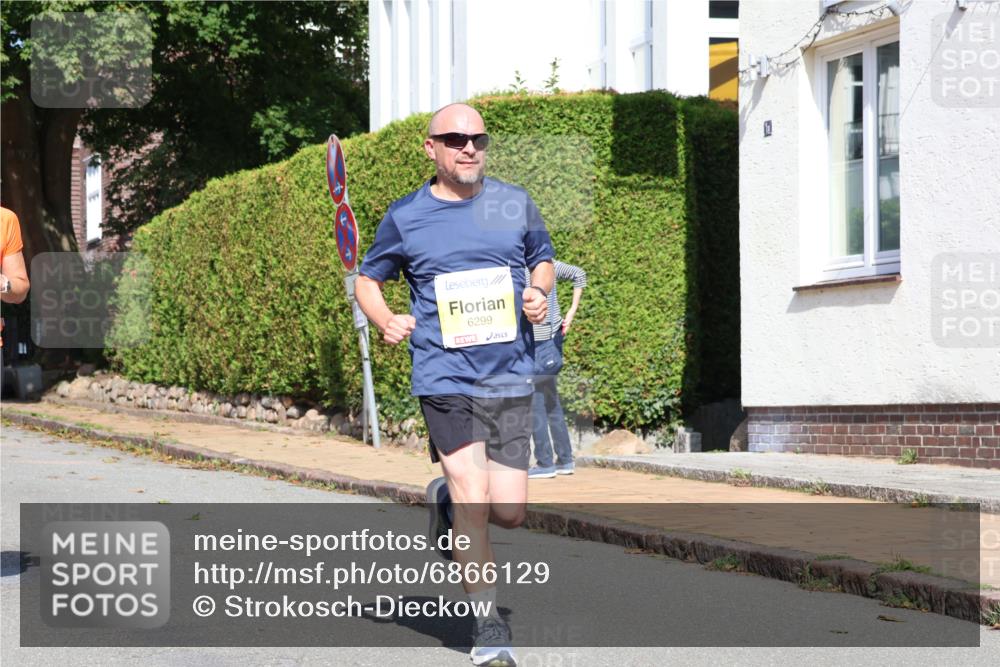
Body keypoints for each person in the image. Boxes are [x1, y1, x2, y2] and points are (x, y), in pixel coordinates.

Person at [355, 102, 553, 667]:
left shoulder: (512, 202)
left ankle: (441, 503)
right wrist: (385, 318)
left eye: (478, 139)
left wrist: (538, 294)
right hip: (444, 373)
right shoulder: (406, 216)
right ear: (432, 148)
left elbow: (541, 259)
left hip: (509, 373)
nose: (469, 147)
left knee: (509, 510)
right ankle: (488, 630)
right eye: (455, 138)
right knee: (473, 493)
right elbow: (369, 279)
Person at [526, 259, 586, 479]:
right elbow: (579, 273)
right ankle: (565, 460)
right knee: (551, 401)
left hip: (536, 344)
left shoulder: (522, 268)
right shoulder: (549, 264)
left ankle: (544, 463)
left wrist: (570, 313)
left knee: (535, 402)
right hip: (554, 343)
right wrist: (570, 313)